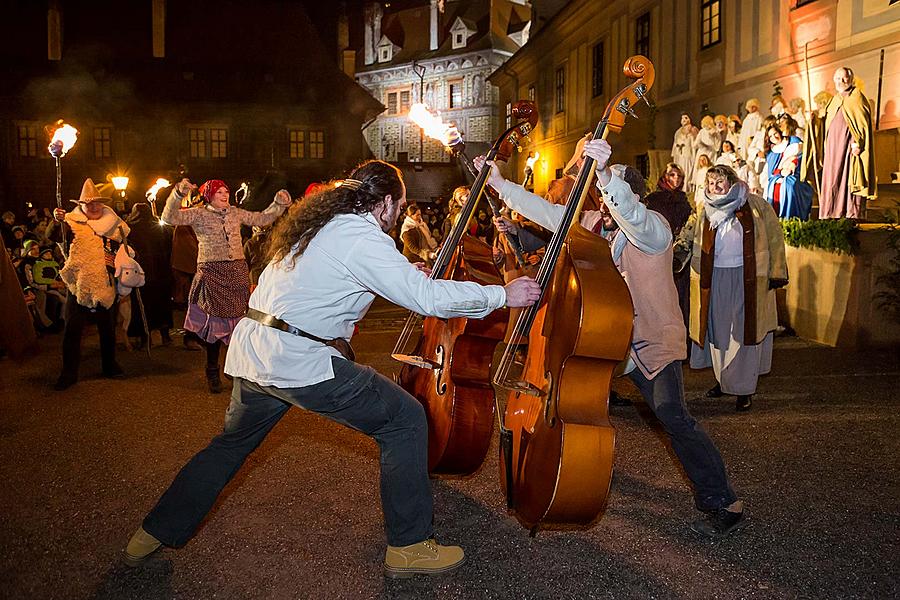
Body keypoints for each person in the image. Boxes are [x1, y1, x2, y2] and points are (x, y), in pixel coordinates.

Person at [123, 160, 542, 576]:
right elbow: (427, 300)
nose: (397, 215)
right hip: (297, 359)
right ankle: (410, 546)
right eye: (398, 205)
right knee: (404, 419)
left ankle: (151, 533)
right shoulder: (361, 235)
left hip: (257, 353)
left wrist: (405, 272)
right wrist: (501, 295)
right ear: (384, 203)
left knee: (229, 447)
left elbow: (337, 280)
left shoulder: (322, 224)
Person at [478, 140, 747, 538]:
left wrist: (606, 177)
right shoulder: (592, 225)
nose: (602, 202)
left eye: (609, 192)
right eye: (600, 194)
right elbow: (550, 213)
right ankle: (565, 475)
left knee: (673, 416)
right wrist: (501, 186)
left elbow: (632, 217)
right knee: (571, 405)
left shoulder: (653, 227)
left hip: (653, 341)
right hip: (605, 340)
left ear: (629, 195)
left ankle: (720, 498)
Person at [161, 178, 291, 393]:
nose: (224, 195)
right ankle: (212, 370)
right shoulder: (198, 213)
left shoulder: (235, 212)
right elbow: (168, 217)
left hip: (237, 271)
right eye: (219, 192)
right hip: (212, 272)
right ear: (209, 195)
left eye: (226, 191)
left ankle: (234, 368)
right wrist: (177, 194)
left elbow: (262, 218)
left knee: (239, 325)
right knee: (215, 325)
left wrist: (278, 204)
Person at [689, 165, 788, 412]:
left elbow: (775, 237)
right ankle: (724, 381)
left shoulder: (755, 205)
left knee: (745, 332)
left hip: (748, 279)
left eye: (720, 182)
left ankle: (744, 390)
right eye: (711, 183)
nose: (716, 187)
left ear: (732, 182)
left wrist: (777, 273)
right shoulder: (705, 210)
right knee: (719, 331)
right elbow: (695, 242)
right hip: (716, 277)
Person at [53, 178, 130, 390]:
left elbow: (125, 249)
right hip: (79, 285)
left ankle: (109, 365)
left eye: (97, 203)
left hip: (106, 283)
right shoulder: (71, 224)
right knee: (72, 330)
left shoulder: (114, 225)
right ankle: (68, 372)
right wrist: (56, 221)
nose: (93, 207)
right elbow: (53, 236)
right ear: (81, 206)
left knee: (108, 329)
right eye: (89, 204)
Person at [819, 66, 877, 219]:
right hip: (833, 149)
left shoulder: (857, 97)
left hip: (849, 148)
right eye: (838, 78)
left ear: (851, 79)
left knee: (848, 178)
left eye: (844, 78)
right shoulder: (834, 100)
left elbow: (862, 123)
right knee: (832, 179)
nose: (841, 81)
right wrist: (812, 119)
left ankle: (849, 214)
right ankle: (830, 213)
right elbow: (825, 122)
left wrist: (858, 142)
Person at [125, 202, 174, 347]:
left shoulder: (130, 229)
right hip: (161, 272)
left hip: (142, 273)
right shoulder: (159, 228)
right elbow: (170, 244)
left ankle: (145, 337)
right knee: (162, 304)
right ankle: (165, 336)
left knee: (143, 306)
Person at [763, 126, 813, 220]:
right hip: (778, 176)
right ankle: (779, 218)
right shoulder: (772, 153)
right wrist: (781, 171)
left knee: (790, 185)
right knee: (773, 186)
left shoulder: (793, 140)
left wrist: (794, 161)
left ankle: (792, 217)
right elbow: (772, 173)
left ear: (779, 132)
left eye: (775, 133)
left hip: (797, 174)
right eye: (771, 136)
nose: (774, 137)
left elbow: (804, 155)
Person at [672, 114, 698, 186]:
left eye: (686, 118)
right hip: (680, 155)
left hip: (688, 154)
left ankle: (686, 186)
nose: (684, 120)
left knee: (687, 170)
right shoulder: (678, 131)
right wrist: (675, 152)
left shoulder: (693, 129)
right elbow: (675, 142)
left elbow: (695, 143)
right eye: (682, 118)